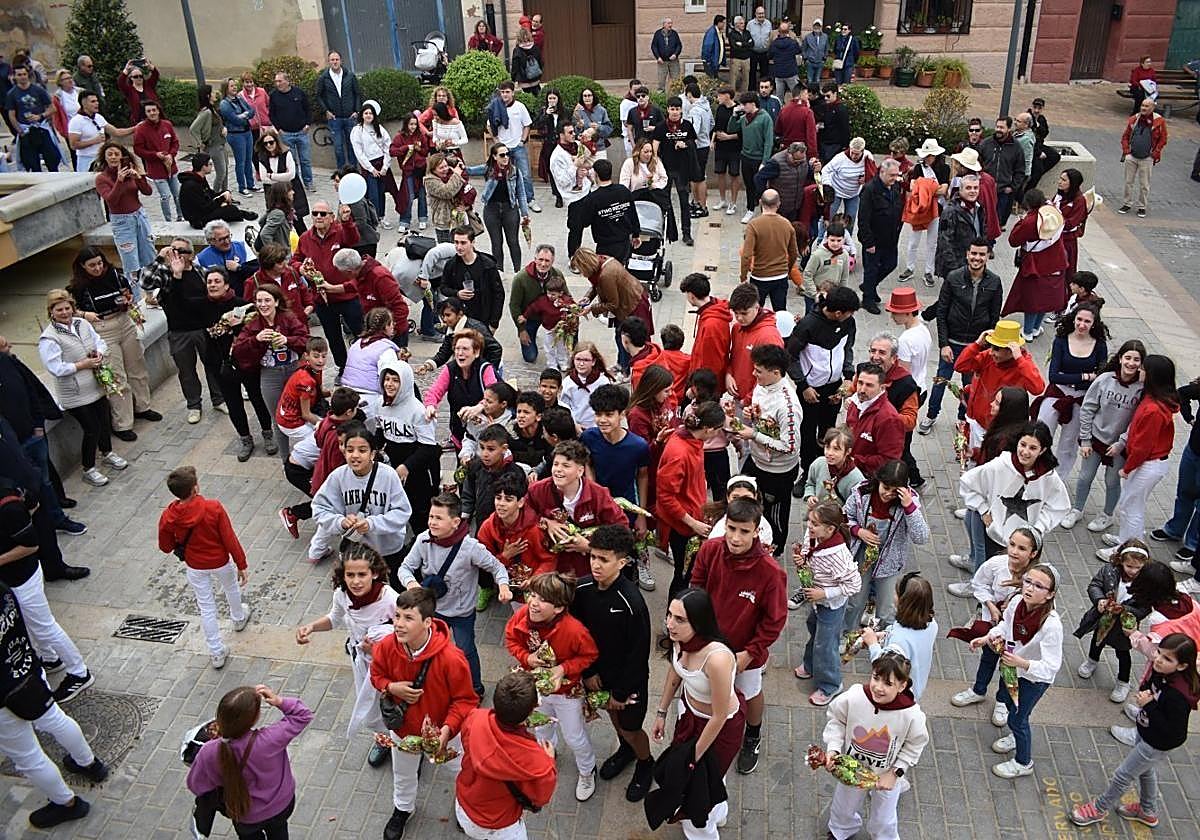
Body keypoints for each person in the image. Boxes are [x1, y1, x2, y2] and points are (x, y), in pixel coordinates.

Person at [369, 585, 478, 840]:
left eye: (408, 618)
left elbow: (465, 700)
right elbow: (376, 675)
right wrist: (391, 686)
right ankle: (403, 809)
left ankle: (465, 808)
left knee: (462, 772)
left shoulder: (452, 658)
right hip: (404, 731)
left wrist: (447, 730)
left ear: (428, 622)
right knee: (403, 773)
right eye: (397, 616)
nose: (399, 624)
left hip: (446, 734)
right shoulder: (386, 647)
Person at [689, 496, 786, 775]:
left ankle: (752, 735)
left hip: (745, 654)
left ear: (756, 530)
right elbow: (696, 589)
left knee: (750, 693)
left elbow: (774, 621)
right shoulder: (710, 550)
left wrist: (750, 653)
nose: (735, 537)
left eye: (744, 531)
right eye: (731, 528)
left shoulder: (771, 572)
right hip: (707, 646)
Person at [0, 581, 104, 830]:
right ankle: (89, 763)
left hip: (4, 695)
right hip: (28, 671)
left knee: (28, 757)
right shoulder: (3, 589)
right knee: (55, 719)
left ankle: (66, 803)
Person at [1071, 631, 1198, 829]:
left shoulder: (1178, 696)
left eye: (1167, 658)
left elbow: (1171, 729)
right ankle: (1147, 811)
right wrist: (1147, 697)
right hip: (1146, 731)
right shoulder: (1163, 672)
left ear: (1181, 666)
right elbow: (1149, 686)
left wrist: (1148, 705)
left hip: (1157, 742)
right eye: (1159, 653)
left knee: (1123, 775)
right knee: (1145, 771)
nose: (1158, 659)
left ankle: (1099, 808)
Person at [567, 526, 655, 800]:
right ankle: (626, 750)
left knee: (630, 727)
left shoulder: (632, 603)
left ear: (622, 562)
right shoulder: (581, 589)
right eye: (593, 556)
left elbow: (639, 654)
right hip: (597, 676)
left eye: (603, 559)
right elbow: (575, 633)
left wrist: (620, 693)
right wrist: (588, 672)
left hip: (628, 682)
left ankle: (645, 762)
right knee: (615, 719)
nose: (595, 564)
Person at [650, 588, 746, 838]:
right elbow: (675, 672)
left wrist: (692, 758)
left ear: (699, 621)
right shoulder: (678, 640)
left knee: (696, 793)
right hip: (689, 716)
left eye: (679, 619)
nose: (670, 624)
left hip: (721, 728)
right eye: (669, 615)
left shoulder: (717, 659)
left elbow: (719, 715)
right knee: (708, 779)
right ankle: (720, 811)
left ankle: (705, 825)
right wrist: (661, 712)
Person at [961, 563, 1063, 778]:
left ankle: (1024, 762)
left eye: (1038, 586)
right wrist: (987, 637)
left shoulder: (1051, 625)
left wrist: (1023, 663)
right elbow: (1005, 627)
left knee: (1018, 718)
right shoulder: (1017, 602)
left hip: (1032, 678)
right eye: (1028, 582)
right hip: (1011, 668)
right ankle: (1015, 737)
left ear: (1049, 595)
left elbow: (1051, 666)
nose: (1030, 588)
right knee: (1007, 702)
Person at [822, 651, 929, 839]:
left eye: (888, 683)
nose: (878, 688)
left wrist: (896, 773)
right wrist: (833, 748)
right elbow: (837, 720)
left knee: (884, 818)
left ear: (902, 685)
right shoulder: (854, 696)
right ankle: (841, 830)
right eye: (876, 678)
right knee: (843, 805)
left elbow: (914, 745)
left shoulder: (911, 715)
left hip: (887, 774)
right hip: (852, 767)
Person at [158, 465, 252, 668]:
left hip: (195, 565)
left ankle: (216, 651)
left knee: (206, 606)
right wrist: (241, 563)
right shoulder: (213, 508)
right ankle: (238, 617)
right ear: (195, 489)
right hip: (220, 561)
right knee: (231, 588)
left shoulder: (168, 516)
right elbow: (229, 539)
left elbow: (165, 546)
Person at [36, 290, 130, 487]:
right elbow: (55, 368)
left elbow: (100, 342)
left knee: (104, 421)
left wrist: (99, 354)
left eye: (67, 308)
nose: (64, 312)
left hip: (96, 385)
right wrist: (82, 365)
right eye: (59, 309)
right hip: (75, 394)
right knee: (91, 428)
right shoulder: (49, 338)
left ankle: (107, 453)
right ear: (51, 312)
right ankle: (88, 468)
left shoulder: (82, 324)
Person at [1092, 355, 1178, 560]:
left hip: (1147, 464)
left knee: (1131, 506)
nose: (1139, 370)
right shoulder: (1154, 400)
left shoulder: (1153, 409)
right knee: (1132, 504)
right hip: (1151, 463)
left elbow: (1142, 446)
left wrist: (1128, 468)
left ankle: (1126, 549)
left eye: (1144, 369)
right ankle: (1127, 539)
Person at [455, 670, 558, 839]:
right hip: (500, 826)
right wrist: (549, 759)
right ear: (530, 713)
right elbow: (541, 798)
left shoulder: (475, 719)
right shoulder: (538, 762)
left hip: (465, 807)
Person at [1062, 340, 1145, 537]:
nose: (1131, 363)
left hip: (1119, 446)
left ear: (1142, 364)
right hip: (1096, 438)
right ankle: (1077, 510)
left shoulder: (1142, 389)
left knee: (1112, 481)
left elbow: (1138, 421)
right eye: (1128, 358)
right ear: (1120, 358)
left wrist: (1122, 442)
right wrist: (1085, 439)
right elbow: (1088, 408)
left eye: (1136, 360)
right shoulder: (1104, 379)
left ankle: (1107, 515)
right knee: (1084, 477)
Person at [842, 460, 930, 631]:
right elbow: (846, 516)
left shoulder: (908, 505)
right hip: (862, 554)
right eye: (885, 487)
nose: (888, 494)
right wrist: (858, 531)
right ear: (878, 480)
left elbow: (921, 537)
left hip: (890, 561)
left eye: (894, 491)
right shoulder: (862, 494)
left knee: (887, 610)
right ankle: (847, 636)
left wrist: (909, 508)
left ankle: (885, 644)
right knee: (854, 601)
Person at [733, 344, 802, 554]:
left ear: (776, 372)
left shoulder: (788, 406)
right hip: (756, 460)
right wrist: (751, 416)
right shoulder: (762, 385)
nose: (754, 374)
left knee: (774, 513)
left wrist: (754, 434)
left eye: (758, 371)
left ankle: (775, 548)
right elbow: (762, 417)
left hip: (778, 472)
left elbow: (790, 446)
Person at [794, 501, 861, 704]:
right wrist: (802, 559)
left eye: (814, 524)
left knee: (826, 644)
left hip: (831, 605)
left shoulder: (838, 555)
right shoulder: (815, 536)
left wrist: (824, 593)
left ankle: (831, 685)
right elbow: (808, 550)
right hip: (818, 601)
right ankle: (811, 665)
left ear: (830, 529)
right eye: (810, 521)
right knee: (813, 628)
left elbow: (854, 584)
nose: (809, 526)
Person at [787, 285, 859, 473]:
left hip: (834, 387)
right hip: (810, 389)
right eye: (848, 313)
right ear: (837, 312)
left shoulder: (848, 323)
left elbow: (847, 348)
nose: (850, 317)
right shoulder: (807, 325)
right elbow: (790, 357)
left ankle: (828, 469)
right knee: (808, 433)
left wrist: (848, 376)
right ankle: (808, 471)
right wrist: (803, 385)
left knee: (828, 431)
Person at [290, 199, 362, 372]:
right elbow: (295, 260)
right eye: (315, 213)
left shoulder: (340, 231)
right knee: (333, 336)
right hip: (322, 299)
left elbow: (353, 239)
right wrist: (301, 269)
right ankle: (343, 367)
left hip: (347, 296)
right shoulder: (306, 238)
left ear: (331, 217)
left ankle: (363, 366)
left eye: (323, 213)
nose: (318, 217)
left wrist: (347, 221)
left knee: (360, 332)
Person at [571, 247, 654, 371]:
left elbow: (612, 304)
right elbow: (597, 286)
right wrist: (588, 297)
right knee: (620, 336)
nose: (582, 274)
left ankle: (628, 369)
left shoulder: (606, 276)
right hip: (631, 300)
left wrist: (591, 309)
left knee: (629, 341)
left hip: (632, 306)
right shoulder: (603, 261)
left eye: (581, 270)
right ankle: (622, 364)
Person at [466, 142, 530, 273]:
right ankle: (498, 272)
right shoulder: (488, 169)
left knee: (513, 242)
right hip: (491, 210)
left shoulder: (514, 171)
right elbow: (469, 171)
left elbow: (521, 193)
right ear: (495, 157)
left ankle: (518, 272)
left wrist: (525, 213)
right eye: (502, 155)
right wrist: (455, 165)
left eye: (508, 154)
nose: (506, 157)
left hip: (510, 209)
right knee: (496, 243)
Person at [898, 139, 949, 287]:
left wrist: (925, 188)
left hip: (936, 209)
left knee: (932, 242)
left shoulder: (944, 169)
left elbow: (944, 190)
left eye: (930, 155)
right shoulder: (919, 168)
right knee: (913, 241)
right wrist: (931, 188)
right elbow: (914, 187)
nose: (927, 158)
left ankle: (929, 271)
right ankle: (910, 267)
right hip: (919, 208)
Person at [738, 186, 799, 313]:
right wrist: (787, 270)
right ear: (778, 204)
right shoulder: (787, 224)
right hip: (780, 276)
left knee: (755, 312)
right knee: (780, 312)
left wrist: (743, 277)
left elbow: (746, 255)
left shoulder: (753, 225)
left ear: (760, 202)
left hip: (760, 276)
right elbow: (794, 253)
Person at [856, 157, 903, 315]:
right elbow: (863, 218)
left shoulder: (895, 187)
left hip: (890, 238)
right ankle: (868, 299)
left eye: (896, 175)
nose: (894, 179)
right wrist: (868, 242)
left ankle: (869, 286)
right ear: (882, 172)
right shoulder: (870, 190)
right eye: (891, 175)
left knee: (891, 264)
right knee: (871, 269)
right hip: (874, 239)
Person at [726, 283, 784, 403]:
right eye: (736, 313)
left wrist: (748, 400)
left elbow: (772, 377)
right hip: (739, 397)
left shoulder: (769, 337)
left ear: (757, 307)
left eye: (744, 313)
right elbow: (734, 356)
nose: (739, 318)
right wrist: (729, 374)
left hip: (755, 404)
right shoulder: (737, 328)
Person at [131, 100, 182, 221]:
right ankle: (168, 220)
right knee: (165, 196)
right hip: (156, 170)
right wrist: (155, 155)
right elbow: (138, 149)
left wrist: (172, 154)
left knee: (178, 195)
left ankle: (181, 216)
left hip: (171, 167)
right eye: (149, 111)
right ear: (145, 113)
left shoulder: (167, 125)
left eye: (154, 110)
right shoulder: (141, 129)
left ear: (158, 111)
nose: (152, 113)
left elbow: (175, 142)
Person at [729, 92, 774, 224]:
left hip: (759, 158)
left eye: (745, 104)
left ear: (752, 104)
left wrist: (765, 161)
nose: (742, 107)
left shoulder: (765, 118)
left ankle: (764, 210)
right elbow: (732, 128)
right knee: (749, 185)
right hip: (746, 156)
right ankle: (750, 208)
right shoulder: (744, 118)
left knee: (760, 186)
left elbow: (769, 141)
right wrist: (734, 115)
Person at [1119, 97, 1168, 219]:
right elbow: (1125, 136)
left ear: (1152, 108)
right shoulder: (1134, 119)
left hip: (1147, 158)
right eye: (1142, 105)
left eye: (1146, 106)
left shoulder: (1159, 121)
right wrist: (1126, 151)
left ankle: (1142, 206)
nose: (1143, 108)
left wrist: (1155, 153)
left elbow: (1163, 139)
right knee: (1128, 182)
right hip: (1132, 156)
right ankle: (1127, 204)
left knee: (1144, 184)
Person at [179, 152, 256, 229]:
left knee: (229, 208)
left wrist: (225, 193)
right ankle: (241, 214)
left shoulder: (200, 178)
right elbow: (204, 208)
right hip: (198, 219)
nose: (212, 166)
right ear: (203, 167)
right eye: (210, 164)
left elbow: (210, 194)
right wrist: (221, 199)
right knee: (230, 210)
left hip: (204, 211)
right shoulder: (191, 186)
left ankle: (240, 214)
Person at [5, 65, 60, 172]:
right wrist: (20, 131)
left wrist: (40, 116)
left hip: (41, 129)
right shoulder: (12, 94)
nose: (22, 77)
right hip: (26, 131)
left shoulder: (38, 90)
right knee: (32, 164)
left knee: (52, 160)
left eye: (24, 74)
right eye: (19, 75)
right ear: (14, 77)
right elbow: (11, 114)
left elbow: (52, 108)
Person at [934, 172, 987, 281]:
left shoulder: (979, 207)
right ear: (960, 190)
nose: (973, 191)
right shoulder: (950, 211)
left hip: (973, 262)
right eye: (968, 188)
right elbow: (944, 242)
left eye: (975, 188)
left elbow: (982, 231)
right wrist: (955, 270)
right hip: (955, 265)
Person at [680, 273, 731, 386]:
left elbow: (711, 363)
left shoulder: (711, 326)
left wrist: (696, 389)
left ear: (692, 296)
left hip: (705, 387)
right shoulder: (715, 309)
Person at [268, 70, 314, 189]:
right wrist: (279, 129)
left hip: (301, 133)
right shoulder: (273, 96)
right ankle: (295, 183)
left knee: (305, 160)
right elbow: (272, 114)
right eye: (276, 81)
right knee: (292, 161)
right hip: (286, 134)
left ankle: (308, 183)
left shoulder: (299, 93)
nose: (277, 84)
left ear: (287, 81)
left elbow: (308, 109)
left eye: (280, 81)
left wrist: (308, 124)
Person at [315, 51, 360, 170]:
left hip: (350, 117)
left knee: (352, 146)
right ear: (329, 61)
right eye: (332, 60)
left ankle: (353, 170)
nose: (335, 62)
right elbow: (318, 96)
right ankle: (341, 172)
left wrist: (357, 111)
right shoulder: (324, 78)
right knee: (338, 148)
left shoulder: (350, 75)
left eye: (337, 59)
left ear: (341, 61)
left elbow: (357, 94)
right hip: (335, 119)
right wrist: (326, 111)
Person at [68, 91, 131, 173]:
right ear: (84, 104)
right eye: (93, 101)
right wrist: (94, 141)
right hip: (86, 160)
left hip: (100, 159)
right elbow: (74, 145)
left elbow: (116, 132)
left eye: (97, 101)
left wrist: (136, 128)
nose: (97, 103)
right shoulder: (76, 121)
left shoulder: (98, 117)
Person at [979, 117, 1025, 226]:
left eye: (1002, 127)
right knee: (982, 221)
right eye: (997, 126)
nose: (998, 130)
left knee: (998, 223)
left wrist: (1012, 187)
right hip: (986, 190)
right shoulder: (986, 144)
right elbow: (978, 164)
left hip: (1003, 192)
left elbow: (1020, 170)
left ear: (1009, 129)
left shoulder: (1016, 147)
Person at [218, 78, 257, 196]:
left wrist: (243, 115)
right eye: (231, 86)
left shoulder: (239, 99)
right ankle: (242, 187)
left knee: (249, 159)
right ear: (226, 88)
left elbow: (252, 111)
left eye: (235, 85)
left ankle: (251, 184)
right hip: (236, 135)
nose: (234, 87)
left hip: (247, 132)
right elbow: (234, 120)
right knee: (241, 161)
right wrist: (244, 116)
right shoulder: (224, 104)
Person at [711, 87, 743, 214]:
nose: (718, 98)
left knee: (734, 174)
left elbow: (742, 130)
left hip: (734, 147)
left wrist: (729, 137)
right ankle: (722, 199)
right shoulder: (720, 108)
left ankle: (733, 202)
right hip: (720, 147)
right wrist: (712, 140)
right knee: (720, 173)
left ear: (727, 96)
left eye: (720, 95)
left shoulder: (739, 109)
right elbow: (717, 125)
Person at [774, 99, 818, 170]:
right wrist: (813, 155)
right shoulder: (807, 112)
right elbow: (811, 137)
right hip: (801, 154)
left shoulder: (784, 110)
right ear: (802, 95)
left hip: (786, 152)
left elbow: (777, 130)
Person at [769, 20, 803, 99]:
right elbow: (799, 51)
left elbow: (769, 56)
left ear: (779, 31)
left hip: (778, 73)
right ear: (788, 31)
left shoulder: (774, 44)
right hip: (791, 72)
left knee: (779, 98)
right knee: (797, 95)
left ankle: (780, 111)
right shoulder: (793, 43)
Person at [650, 17, 682, 91]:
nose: (670, 25)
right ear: (664, 24)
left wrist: (675, 54)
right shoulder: (658, 34)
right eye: (668, 23)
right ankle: (661, 98)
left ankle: (676, 96)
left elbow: (679, 45)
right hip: (662, 61)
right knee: (661, 81)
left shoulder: (674, 33)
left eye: (671, 23)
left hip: (674, 61)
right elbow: (654, 46)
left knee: (676, 80)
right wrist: (658, 57)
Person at [799, 18, 828, 85]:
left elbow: (826, 48)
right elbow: (803, 49)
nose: (816, 27)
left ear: (821, 27)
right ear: (813, 26)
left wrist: (824, 58)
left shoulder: (825, 37)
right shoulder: (808, 37)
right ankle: (809, 94)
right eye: (815, 25)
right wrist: (805, 58)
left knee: (817, 80)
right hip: (810, 62)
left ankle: (816, 94)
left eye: (818, 26)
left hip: (820, 62)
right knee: (810, 80)